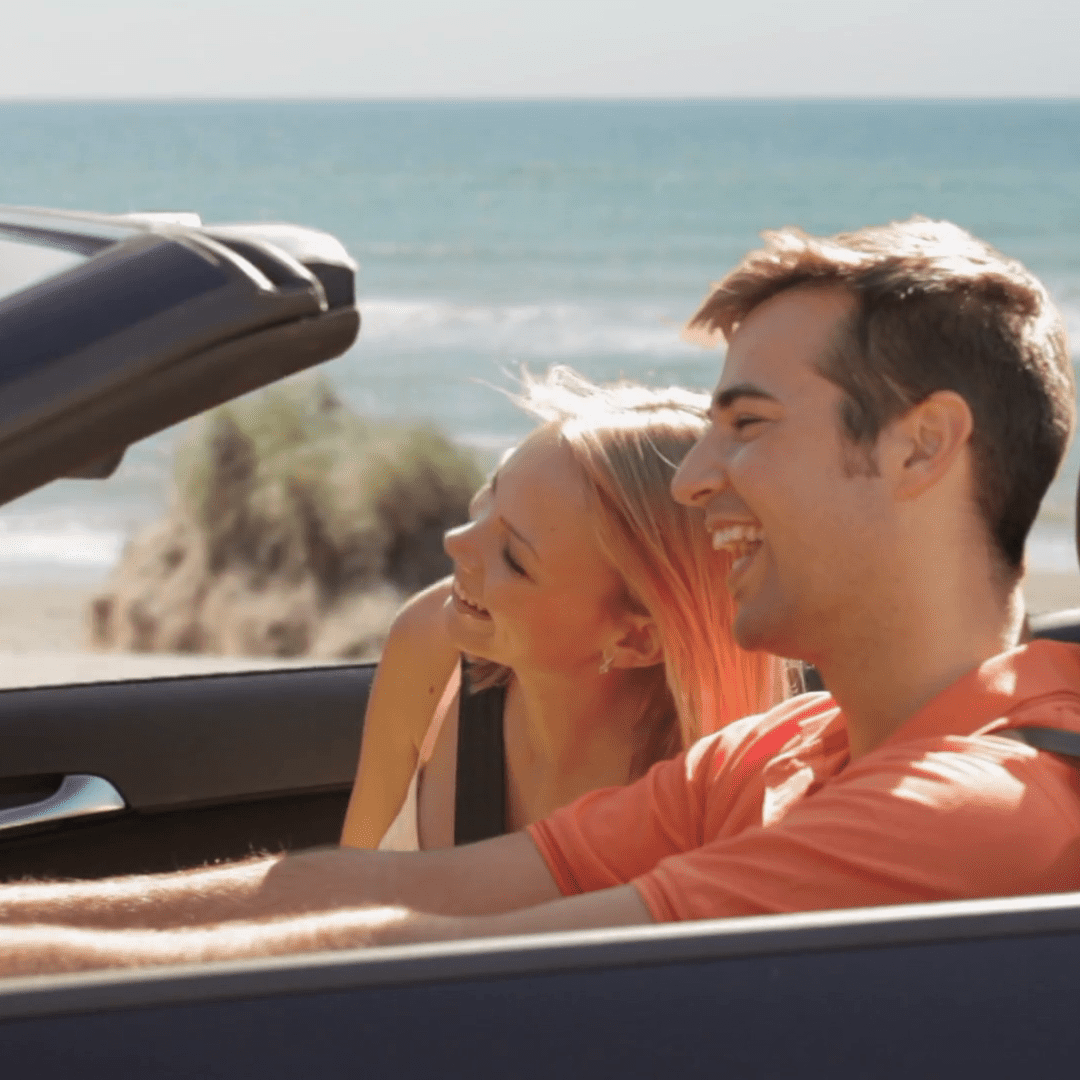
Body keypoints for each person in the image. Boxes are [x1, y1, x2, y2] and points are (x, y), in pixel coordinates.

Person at [3, 216, 1080, 975]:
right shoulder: (783, 751)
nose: (700, 478)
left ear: (921, 447)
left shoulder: (967, 810)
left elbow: (449, 961)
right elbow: (392, 890)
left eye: (748, 425)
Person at [340, 367, 787, 852]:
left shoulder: (713, 814)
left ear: (636, 639)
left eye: (514, 559)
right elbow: (348, 895)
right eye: (490, 498)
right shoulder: (432, 643)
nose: (455, 543)